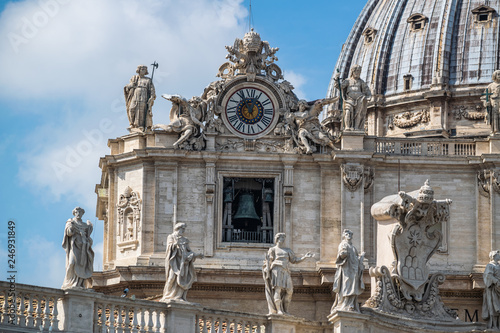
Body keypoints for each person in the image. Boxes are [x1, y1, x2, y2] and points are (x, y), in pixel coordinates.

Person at [262, 233, 315, 315]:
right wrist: (267, 269)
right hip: (277, 270)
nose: (283, 239)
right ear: (277, 239)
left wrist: (304, 257)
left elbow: (294, 260)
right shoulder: (273, 250)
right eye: (281, 237)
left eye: (284, 237)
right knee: (277, 289)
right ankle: (279, 310)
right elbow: (269, 261)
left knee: (289, 291)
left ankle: (285, 310)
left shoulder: (288, 250)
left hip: (286, 271)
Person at [160, 223, 204, 302]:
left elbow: (189, 251)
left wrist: (197, 255)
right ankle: (167, 295)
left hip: (183, 263)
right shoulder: (171, 237)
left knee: (182, 279)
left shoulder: (185, 240)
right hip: (174, 262)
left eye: (184, 229)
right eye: (182, 229)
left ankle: (178, 296)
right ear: (178, 229)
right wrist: (175, 244)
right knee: (171, 278)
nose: (183, 231)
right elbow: (169, 248)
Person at [330, 229, 365, 313]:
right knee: (346, 285)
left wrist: (361, 258)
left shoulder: (353, 247)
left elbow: (356, 258)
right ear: (344, 236)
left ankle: (351, 304)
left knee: (353, 286)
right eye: (346, 234)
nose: (348, 235)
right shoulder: (343, 244)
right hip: (346, 270)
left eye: (350, 234)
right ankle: (344, 304)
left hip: (354, 271)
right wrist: (342, 254)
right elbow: (341, 255)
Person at [62, 207, 94, 289]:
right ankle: (69, 282)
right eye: (77, 212)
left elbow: (88, 235)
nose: (78, 214)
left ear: (82, 214)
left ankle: (80, 283)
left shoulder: (84, 225)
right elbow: (68, 233)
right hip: (74, 246)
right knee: (72, 262)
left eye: (80, 212)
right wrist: (71, 228)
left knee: (82, 264)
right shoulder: (71, 222)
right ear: (74, 213)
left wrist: (90, 227)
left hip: (83, 247)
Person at [334, 65, 371, 131]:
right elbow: (339, 86)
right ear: (352, 72)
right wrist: (336, 79)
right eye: (356, 71)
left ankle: (356, 127)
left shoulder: (361, 82)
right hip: (349, 99)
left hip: (359, 99)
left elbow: (367, 90)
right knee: (347, 112)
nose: (358, 73)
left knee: (358, 114)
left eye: (359, 71)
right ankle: (347, 127)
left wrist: (368, 97)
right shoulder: (347, 81)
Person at [124, 65, 156, 132]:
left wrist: (152, 97)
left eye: (144, 69)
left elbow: (152, 90)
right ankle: (132, 123)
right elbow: (127, 88)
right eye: (142, 69)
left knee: (141, 110)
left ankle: (140, 126)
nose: (143, 70)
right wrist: (131, 85)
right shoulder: (134, 78)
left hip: (144, 95)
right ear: (138, 70)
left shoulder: (148, 80)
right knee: (131, 109)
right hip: (135, 94)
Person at [482, 250, 500, 329]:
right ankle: (494, 325)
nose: (499, 256)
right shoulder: (490, 265)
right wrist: (496, 281)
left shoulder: (498, 265)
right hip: (493, 288)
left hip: (499, 288)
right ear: (494, 256)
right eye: (498, 255)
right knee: (493, 307)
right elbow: (488, 276)